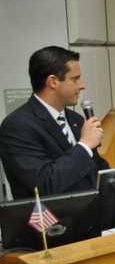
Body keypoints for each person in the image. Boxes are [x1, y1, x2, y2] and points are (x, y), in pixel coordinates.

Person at [0, 46, 108, 199]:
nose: (82, 85)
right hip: (53, 220)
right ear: (53, 82)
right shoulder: (17, 126)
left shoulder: (76, 119)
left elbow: (98, 169)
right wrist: (84, 145)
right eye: (75, 79)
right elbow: (44, 184)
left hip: (95, 216)